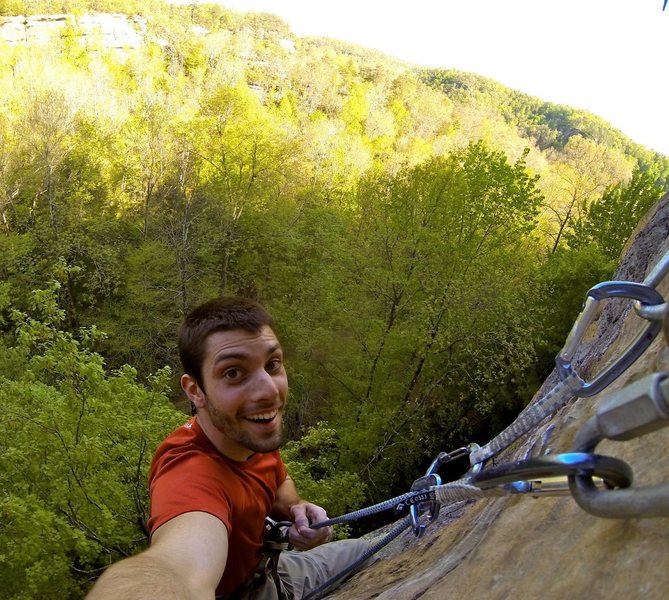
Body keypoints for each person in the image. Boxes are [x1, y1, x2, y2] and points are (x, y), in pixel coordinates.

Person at [87, 296, 370, 599]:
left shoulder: (247, 430)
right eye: (233, 372)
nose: (268, 390)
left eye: (272, 364)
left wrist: (294, 508)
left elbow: (277, 477)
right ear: (195, 391)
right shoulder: (189, 471)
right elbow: (177, 568)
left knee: (371, 551)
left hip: (272, 572)